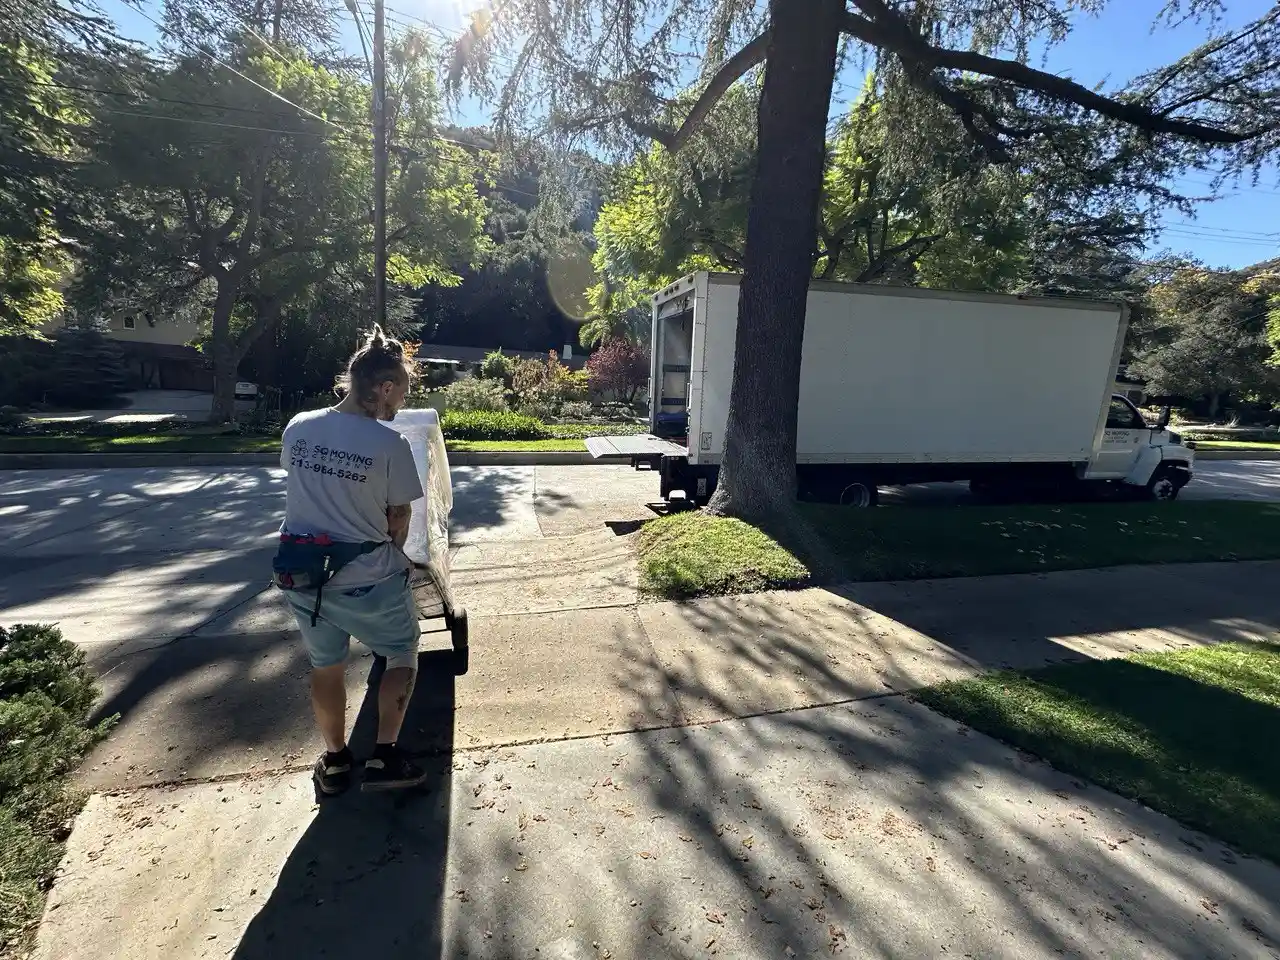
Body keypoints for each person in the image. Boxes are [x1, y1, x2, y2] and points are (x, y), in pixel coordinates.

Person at [276, 325, 427, 795]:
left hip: (305, 577)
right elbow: (398, 518)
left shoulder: (300, 426)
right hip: (367, 578)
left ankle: (336, 762)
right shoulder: (389, 444)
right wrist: (399, 558)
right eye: (401, 392)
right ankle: (385, 757)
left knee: (327, 666)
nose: (400, 403)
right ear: (384, 388)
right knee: (401, 652)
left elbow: (300, 485)